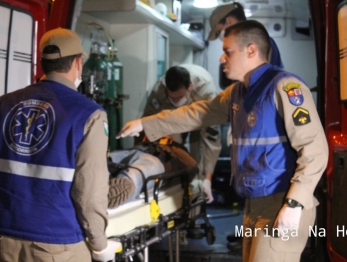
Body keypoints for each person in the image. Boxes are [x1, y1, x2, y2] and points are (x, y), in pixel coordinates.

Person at [118, 20, 328, 262]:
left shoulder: (285, 87)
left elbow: (315, 150)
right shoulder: (238, 92)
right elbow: (197, 113)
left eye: (227, 52)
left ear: (251, 51)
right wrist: (147, 123)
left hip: (282, 201)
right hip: (254, 205)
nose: (221, 59)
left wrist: (295, 203)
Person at [0, 28, 122, 262]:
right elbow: (89, 191)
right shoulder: (89, 114)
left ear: (42, 63)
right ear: (78, 64)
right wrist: (100, 244)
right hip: (56, 243)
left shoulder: (0, 105)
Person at [207, 2, 284, 252]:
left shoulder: (262, 50)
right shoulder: (257, 48)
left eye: (221, 33)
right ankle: (246, 235)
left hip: (264, 145)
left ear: (229, 22)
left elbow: (260, 91)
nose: (223, 57)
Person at [141, 64, 222, 203]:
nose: (176, 101)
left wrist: (207, 179)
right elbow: (148, 125)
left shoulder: (205, 91)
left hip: (198, 111)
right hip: (172, 115)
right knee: (172, 148)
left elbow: (211, 137)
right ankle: (174, 192)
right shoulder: (159, 91)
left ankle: (197, 195)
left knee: (197, 153)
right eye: (172, 98)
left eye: (179, 97)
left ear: (189, 87)